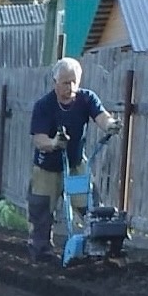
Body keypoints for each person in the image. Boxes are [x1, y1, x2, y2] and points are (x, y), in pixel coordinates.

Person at [28, 57, 121, 264]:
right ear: (55, 82)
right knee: (41, 211)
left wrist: (111, 125)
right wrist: (54, 143)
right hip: (47, 167)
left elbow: (101, 116)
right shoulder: (44, 105)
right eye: (65, 82)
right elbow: (38, 139)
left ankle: (98, 248)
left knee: (90, 207)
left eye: (74, 82)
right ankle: (41, 253)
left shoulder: (86, 99)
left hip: (76, 163)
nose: (70, 87)